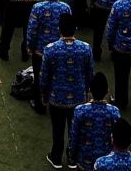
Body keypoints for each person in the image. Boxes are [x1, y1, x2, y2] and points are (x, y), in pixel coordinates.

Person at [40, 13, 92, 165]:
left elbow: (44, 77)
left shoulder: (50, 49)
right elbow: (90, 73)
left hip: (57, 98)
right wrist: (87, 92)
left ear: (59, 29)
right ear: (75, 28)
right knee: (74, 130)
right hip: (78, 97)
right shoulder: (85, 48)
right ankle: (72, 158)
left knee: (57, 130)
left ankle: (56, 157)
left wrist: (44, 95)